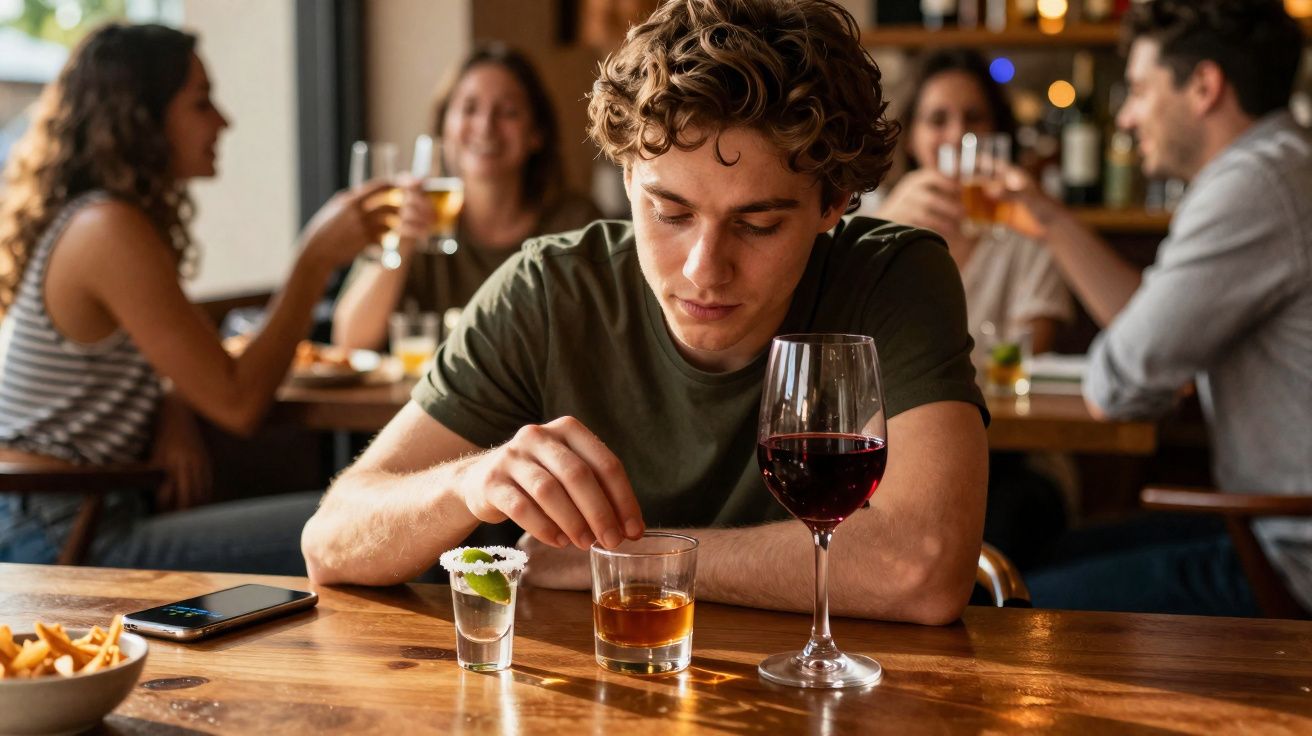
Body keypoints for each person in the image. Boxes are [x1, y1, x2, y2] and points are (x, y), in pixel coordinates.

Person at [303, 0, 990, 625]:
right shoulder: (548, 290)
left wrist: (621, 561)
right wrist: (467, 481)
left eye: (758, 224)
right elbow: (332, 542)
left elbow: (921, 568)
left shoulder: (895, 276)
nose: (703, 269)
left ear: (832, 203)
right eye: (670, 213)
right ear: (628, 174)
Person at [0, 24, 409, 573]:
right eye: (201, 102)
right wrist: (313, 259)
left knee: (381, 519)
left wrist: (172, 405)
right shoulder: (107, 228)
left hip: (75, 513)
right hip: (67, 534)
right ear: (142, 117)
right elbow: (239, 405)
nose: (223, 120)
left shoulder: (102, 220)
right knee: (385, 525)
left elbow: (178, 363)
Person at [1001, 0, 1311, 615]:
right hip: (1267, 526)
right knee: (1037, 560)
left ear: (1204, 86)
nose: (1126, 116)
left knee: (1012, 608)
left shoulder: (1253, 187)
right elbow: (1147, 336)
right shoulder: (1282, 165)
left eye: (1139, 89)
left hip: (1289, 558)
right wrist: (1049, 220)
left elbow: (1119, 385)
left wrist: (1141, 364)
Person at [872, 49, 1074, 570]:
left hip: (1010, 458)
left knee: (1005, 516)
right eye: (938, 119)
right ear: (912, 136)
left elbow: (1026, 358)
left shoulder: (1026, 230)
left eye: (974, 118)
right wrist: (887, 224)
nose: (958, 135)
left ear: (997, 131)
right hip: (889, 452)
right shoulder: (872, 220)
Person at [332, 44, 601, 351]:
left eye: (508, 112)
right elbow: (349, 341)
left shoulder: (576, 223)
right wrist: (402, 243)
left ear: (536, 134)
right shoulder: (413, 219)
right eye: (469, 109)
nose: (485, 126)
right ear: (444, 126)